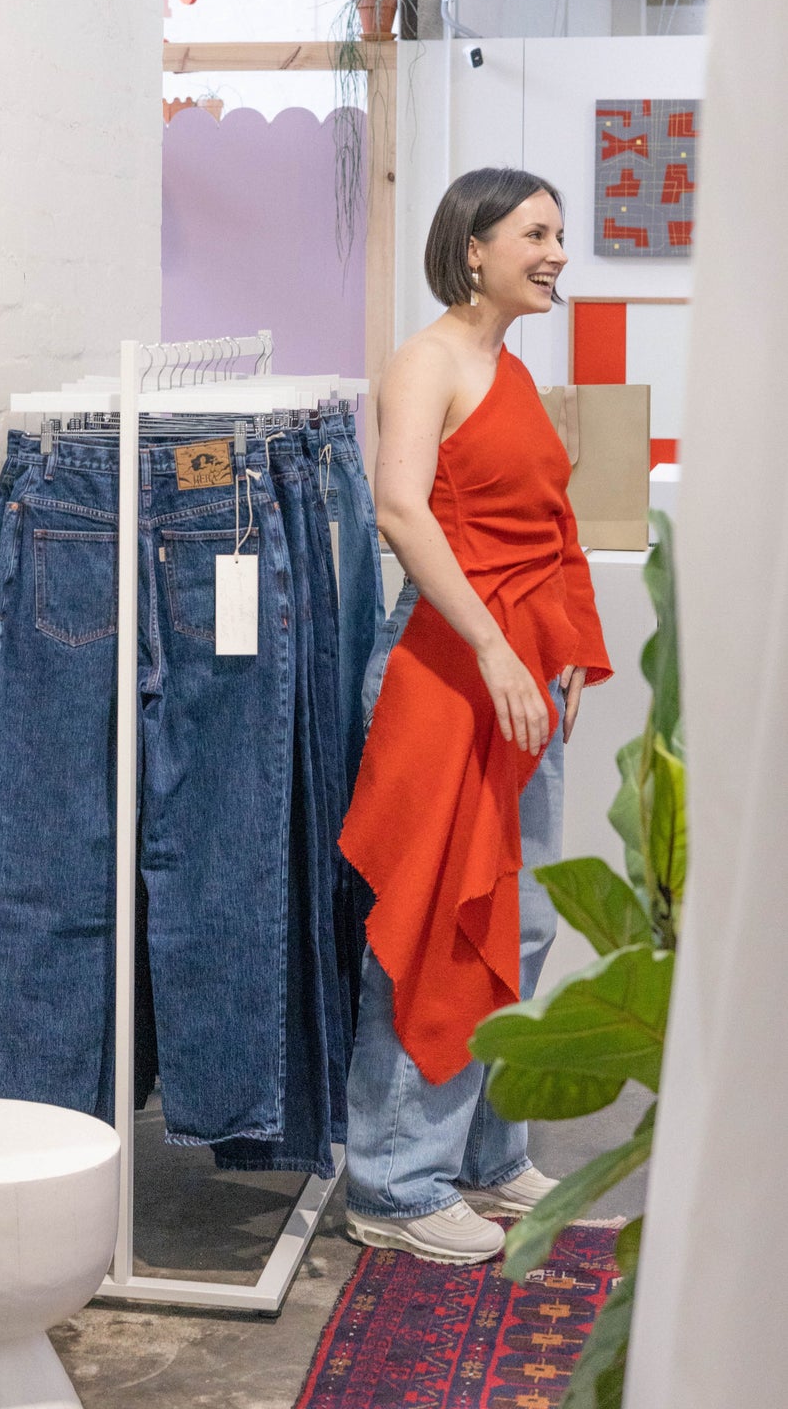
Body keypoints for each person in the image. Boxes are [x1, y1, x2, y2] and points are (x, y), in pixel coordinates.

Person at [339, 168, 612, 1264]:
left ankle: (489, 1156)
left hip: (521, 675)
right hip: (450, 670)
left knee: (523, 921)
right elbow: (401, 508)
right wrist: (499, 645)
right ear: (474, 248)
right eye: (536, 232)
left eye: (560, 233)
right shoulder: (428, 361)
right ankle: (396, 1181)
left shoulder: (508, 363)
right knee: (432, 921)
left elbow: (547, 522)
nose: (557, 251)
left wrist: (568, 645)